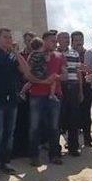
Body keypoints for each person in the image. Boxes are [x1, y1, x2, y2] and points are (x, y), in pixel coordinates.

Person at [0, 28, 46, 176]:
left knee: (9, 133)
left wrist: (16, 53)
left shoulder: (13, 56)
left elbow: (27, 71)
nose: (8, 40)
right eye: (5, 37)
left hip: (12, 100)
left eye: (10, 37)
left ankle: (5, 162)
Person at [28, 30, 67, 166]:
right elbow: (28, 75)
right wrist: (44, 82)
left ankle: (55, 155)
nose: (55, 43)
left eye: (55, 40)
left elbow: (65, 75)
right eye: (52, 40)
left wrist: (58, 77)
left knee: (54, 127)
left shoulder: (60, 55)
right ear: (44, 40)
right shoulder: (34, 55)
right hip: (37, 95)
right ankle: (34, 156)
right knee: (34, 127)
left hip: (54, 95)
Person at [57, 31, 83, 157]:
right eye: (64, 38)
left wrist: (81, 90)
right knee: (58, 118)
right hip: (59, 87)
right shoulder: (54, 53)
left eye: (68, 38)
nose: (67, 40)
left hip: (73, 87)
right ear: (58, 40)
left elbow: (78, 72)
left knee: (74, 118)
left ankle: (73, 147)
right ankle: (56, 148)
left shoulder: (75, 53)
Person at [11, 31, 35, 159]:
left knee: (31, 122)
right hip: (20, 91)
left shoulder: (38, 55)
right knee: (20, 120)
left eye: (31, 39)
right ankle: (17, 149)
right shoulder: (20, 55)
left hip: (34, 90)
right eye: (26, 40)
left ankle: (28, 149)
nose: (29, 42)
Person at [72, 31, 92, 148]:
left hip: (86, 87)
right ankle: (73, 141)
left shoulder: (88, 53)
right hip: (72, 86)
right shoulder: (69, 54)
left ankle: (88, 138)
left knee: (86, 113)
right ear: (72, 42)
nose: (78, 42)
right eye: (75, 40)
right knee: (73, 114)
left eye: (80, 39)